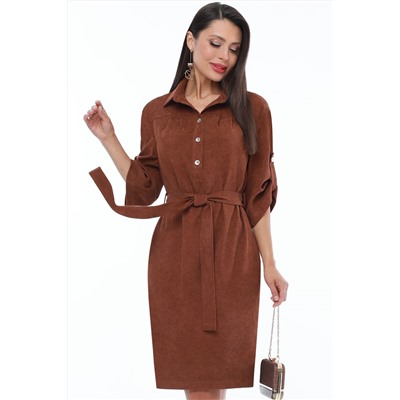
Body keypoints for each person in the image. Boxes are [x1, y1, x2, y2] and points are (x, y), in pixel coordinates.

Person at [83, 2, 288, 400]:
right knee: (194, 381)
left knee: (214, 379)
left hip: (232, 253)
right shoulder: (157, 112)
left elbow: (257, 195)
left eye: (234, 49)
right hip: (174, 253)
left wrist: (271, 265)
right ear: (191, 40)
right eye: (216, 43)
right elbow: (145, 188)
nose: (224, 56)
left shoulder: (254, 109)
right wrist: (108, 138)